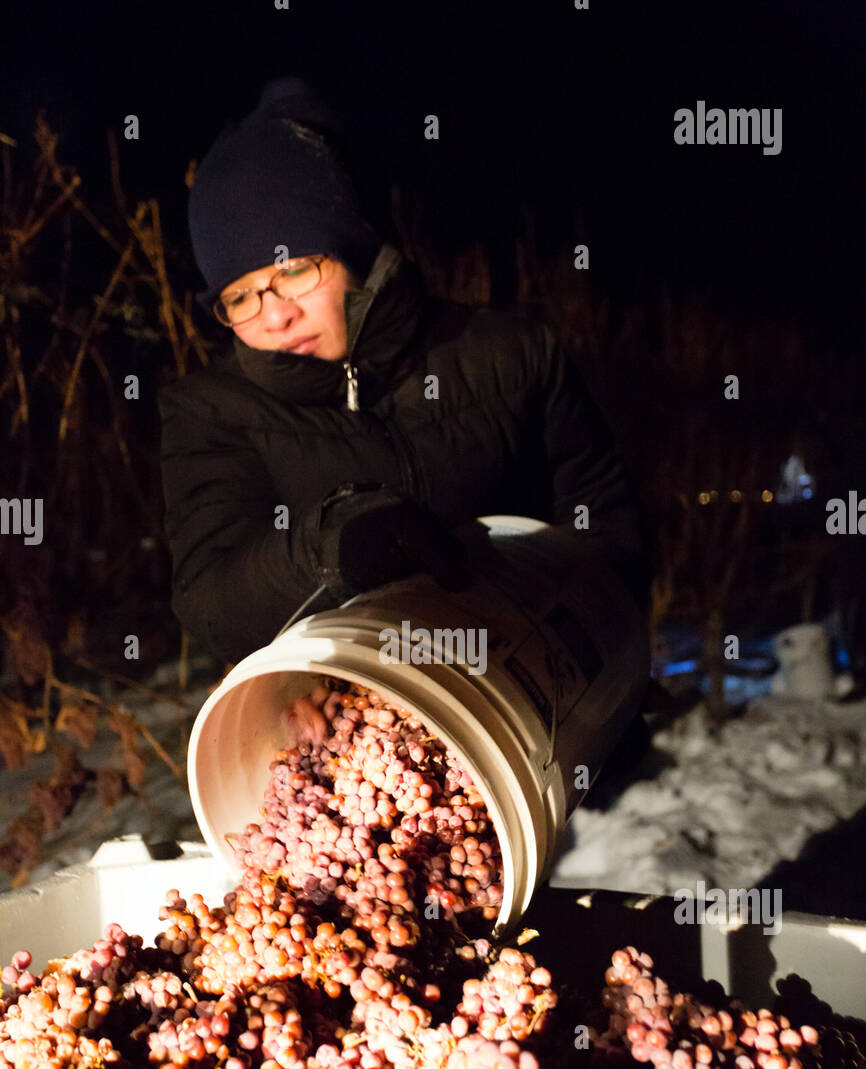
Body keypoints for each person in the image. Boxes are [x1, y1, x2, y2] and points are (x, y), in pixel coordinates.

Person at [159, 77, 653, 680]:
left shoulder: (510, 353)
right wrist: (331, 549)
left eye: (292, 270)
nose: (275, 313)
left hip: (535, 697)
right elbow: (213, 601)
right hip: (364, 722)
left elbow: (603, 521)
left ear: (354, 250)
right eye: (240, 296)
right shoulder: (211, 412)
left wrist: (594, 654)